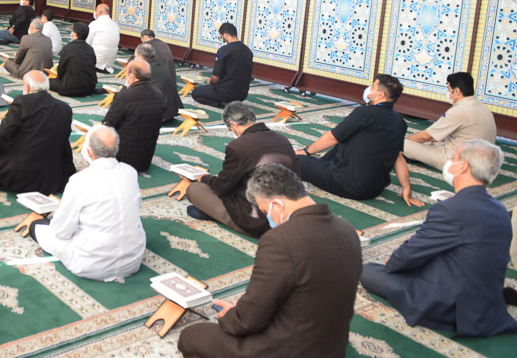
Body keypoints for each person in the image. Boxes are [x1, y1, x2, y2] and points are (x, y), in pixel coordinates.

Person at [177, 164, 361, 358]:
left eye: (265, 212)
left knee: (191, 338)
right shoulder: (347, 229)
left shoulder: (281, 240)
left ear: (277, 205)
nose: (268, 220)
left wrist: (231, 316)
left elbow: (248, 321)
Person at [361, 140, 517, 337]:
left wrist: (391, 264)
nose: (449, 162)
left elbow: (412, 252)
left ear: (463, 166)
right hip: (486, 298)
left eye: (454, 158)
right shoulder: (500, 208)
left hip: (450, 305)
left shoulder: (451, 209)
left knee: (366, 270)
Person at [32, 125, 146, 282]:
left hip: (91, 263)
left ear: (89, 152)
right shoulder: (130, 172)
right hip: (132, 262)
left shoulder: (80, 180)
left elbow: (61, 232)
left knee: (38, 226)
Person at [0, 70, 75, 215]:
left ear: (27, 87)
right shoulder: (65, 108)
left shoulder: (23, 102)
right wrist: (70, 173)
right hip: (48, 178)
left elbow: (1, 134)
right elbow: (64, 143)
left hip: (17, 172)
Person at [185, 101, 299, 236]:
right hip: (286, 215)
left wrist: (204, 178)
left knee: (195, 189)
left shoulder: (238, 146)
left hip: (256, 222)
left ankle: (215, 214)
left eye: (230, 129)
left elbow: (222, 188)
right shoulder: (282, 139)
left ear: (233, 125)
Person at [297, 74, 413, 202]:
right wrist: (406, 187)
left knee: (295, 160)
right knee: (346, 140)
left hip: (345, 185)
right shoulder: (400, 122)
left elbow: (332, 137)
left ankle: (314, 165)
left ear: (380, 95)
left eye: (373, 87)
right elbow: (398, 157)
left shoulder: (365, 113)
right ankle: (320, 165)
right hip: (375, 189)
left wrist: (306, 151)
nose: (369, 89)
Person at [401, 72, 497, 170]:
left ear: (457, 91)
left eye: (449, 89)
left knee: (403, 144)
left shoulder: (458, 111)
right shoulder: (483, 107)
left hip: (457, 161)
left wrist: (407, 139)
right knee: (430, 142)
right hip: (483, 160)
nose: (447, 92)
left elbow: (426, 136)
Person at [101, 60, 164, 173]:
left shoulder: (125, 97)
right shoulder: (159, 95)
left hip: (121, 160)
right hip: (144, 161)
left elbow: (108, 124)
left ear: (131, 76)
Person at [190, 23, 253, 108]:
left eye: (221, 37)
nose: (222, 40)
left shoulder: (224, 50)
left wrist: (211, 82)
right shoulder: (248, 51)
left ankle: (222, 104)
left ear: (226, 35)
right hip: (242, 94)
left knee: (196, 93)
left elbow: (215, 77)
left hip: (226, 92)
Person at [134, 42, 182, 123]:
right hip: (171, 111)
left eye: (135, 55)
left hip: (158, 114)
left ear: (141, 57)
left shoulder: (145, 69)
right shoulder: (160, 63)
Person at [50, 22, 97, 97]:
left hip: (70, 88)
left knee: (47, 81)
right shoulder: (90, 49)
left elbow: (61, 70)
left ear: (75, 35)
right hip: (90, 88)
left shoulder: (68, 48)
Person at [86, 3, 120, 72]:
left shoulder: (94, 24)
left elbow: (87, 42)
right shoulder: (115, 25)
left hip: (95, 62)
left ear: (100, 12)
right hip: (110, 63)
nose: (95, 13)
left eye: (96, 10)